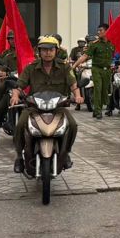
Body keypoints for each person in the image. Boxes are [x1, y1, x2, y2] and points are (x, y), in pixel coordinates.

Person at [11, 35, 83, 173]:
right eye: (44, 50)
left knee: (72, 125)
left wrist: (78, 96)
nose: (47, 53)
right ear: (39, 51)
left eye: (51, 49)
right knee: (20, 125)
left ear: (56, 51)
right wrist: (15, 96)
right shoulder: (31, 68)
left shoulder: (64, 67)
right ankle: (19, 157)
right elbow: (19, 85)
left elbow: (73, 84)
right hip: (34, 108)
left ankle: (66, 152)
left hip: (58, 107)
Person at [0, 32, 21, 144]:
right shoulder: (7, 55)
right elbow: (1, 67)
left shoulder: (27, 53)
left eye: (14, 39)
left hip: (25, 86)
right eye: (10, 39)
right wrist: (1, 72)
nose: (12, 41)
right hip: (11, 83)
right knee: (1, 107)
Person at [76, 24, 114, 119]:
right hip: (96, 69)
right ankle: (98, 111)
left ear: (106, 31)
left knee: (104, 90)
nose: (98, 32)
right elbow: (85, 56)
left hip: (107, 70)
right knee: (98, 88)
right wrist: (74, 66)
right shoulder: (94, 44)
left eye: (101, 30)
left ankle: (98, 109)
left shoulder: (111, 43)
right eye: (98, 30)